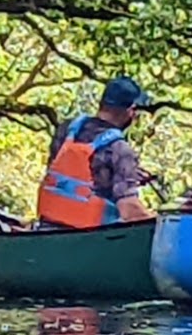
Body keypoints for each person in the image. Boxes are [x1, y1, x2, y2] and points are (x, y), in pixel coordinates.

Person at [37, 76, 157, 229]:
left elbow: (70, 176)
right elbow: (129, 209)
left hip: (47, 227)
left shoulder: (67, 130)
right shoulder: (120, 149)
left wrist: (126, 174)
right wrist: (159, 223)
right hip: (88, 235)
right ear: (131, 111)